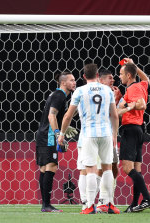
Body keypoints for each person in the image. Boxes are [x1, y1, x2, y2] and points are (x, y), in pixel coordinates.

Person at [58, 64, 120, 214]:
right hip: (105, 133)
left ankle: (89, 205)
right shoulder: (107, 90)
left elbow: (68, 115)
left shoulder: (80, 91)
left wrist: (61, 134)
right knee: (107, 168)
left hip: (88, 134)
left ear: (84, 76)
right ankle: (109, 204)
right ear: (97, 75)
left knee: (90, 170)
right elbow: (114, 115)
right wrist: (114, 136)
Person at [35, 71, 78, 212]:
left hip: (43, 134)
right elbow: (51, 115)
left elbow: (61, 115)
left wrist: (65, 126)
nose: (74, 82)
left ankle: (45, 205)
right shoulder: (59, 95)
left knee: (44, 169)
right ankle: (46, 205)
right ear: (63, 82)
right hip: (49, 136)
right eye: (71, 80)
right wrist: (58, 133)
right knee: (51, 167)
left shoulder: (57, 95)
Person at [117, 58, 150, 212]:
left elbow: (142, 104)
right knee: (136, 171)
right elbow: (147, 79)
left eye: (121, 74)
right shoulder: (141, 85)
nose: (119, 76)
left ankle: (147, 198)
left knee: (127, 168)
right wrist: (135, 66)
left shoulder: (133, 88)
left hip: (131, 129)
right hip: (138, 130)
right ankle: (134, 204)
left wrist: (125, 104)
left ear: (129, 76)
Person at [96, 69, 122, 212]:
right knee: (101, 169)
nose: (113, 81)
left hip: (111, 136)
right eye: (110, 78)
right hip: (100, 136)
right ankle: (100, 202)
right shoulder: (98, 94)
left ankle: (109, 200)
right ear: (101, 80)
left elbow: (116, 115)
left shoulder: (112, 95)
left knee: (114, 168)